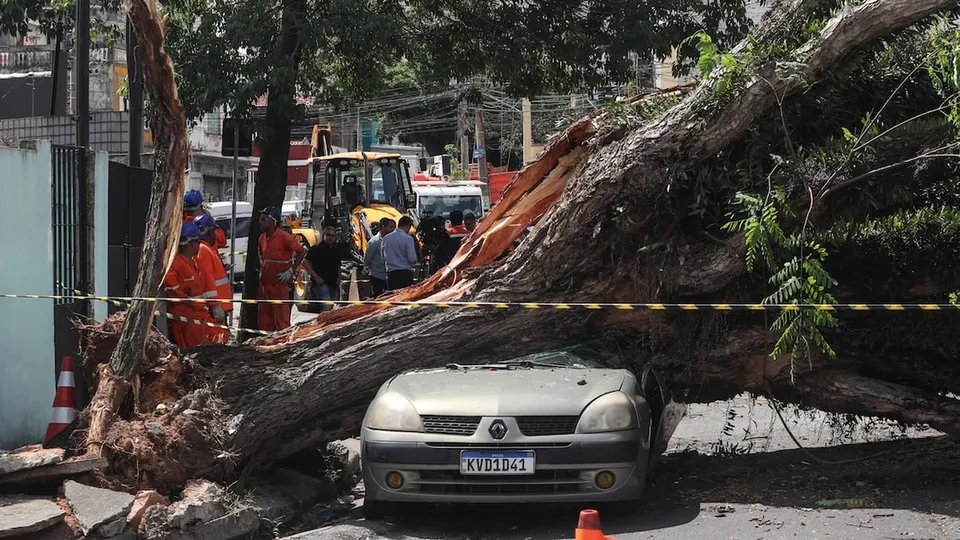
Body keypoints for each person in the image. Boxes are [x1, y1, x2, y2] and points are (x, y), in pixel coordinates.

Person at [162, 222, 219, 349]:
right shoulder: (176, 263)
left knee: (216, 340)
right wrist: (190, 302)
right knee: (196, 350)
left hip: (198, 313)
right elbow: (171, 287)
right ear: (191, 243)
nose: (200, 245)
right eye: (198, 242)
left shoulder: (192, 262)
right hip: (186, 317)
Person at [257, 206, 306, 331]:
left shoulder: (284, 237)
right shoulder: (262, 238)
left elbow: (301, 251)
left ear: (273, 221)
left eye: (264, 219)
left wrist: (290, 271)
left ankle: (283, 347)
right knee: (264, 321)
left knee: (281, 322)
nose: (260, 222)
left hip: (280, 285)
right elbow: (262, 258)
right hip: (264, 286)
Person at [194, 214, 232, 342]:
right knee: (217, 339)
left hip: (219, 306)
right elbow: (207, 279)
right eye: (214, 231)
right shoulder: (203, 250)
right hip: (216, 308)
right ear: (209, 232)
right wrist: (215, 305)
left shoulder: (206, 249)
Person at [302, 226, 343, 312]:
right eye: (328, 235)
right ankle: (325, 324)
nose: (330, 237)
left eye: (332, 235)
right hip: (321, 283)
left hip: (333, 283)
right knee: (327, 305)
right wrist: (316, 277)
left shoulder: (336, 250)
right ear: (324, 235)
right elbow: (305, 262)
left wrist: (339, 280)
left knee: (331, 306)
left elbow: (338, 266)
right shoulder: (316, 248)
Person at [381, 215, 418, 290]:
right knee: (405, 298)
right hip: (405, 274)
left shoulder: (386, 238)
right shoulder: (408, 238)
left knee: (393, 298)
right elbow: (412, 258)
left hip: (391, 274)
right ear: (408, 226)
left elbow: (382, 257)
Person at [363, 217, 395, 297]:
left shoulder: (391, 240)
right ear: (383, 227)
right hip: (377, 276)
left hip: (389, 275)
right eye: (390, 227)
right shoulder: (374, 241)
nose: (393, 230)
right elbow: (367, 259)